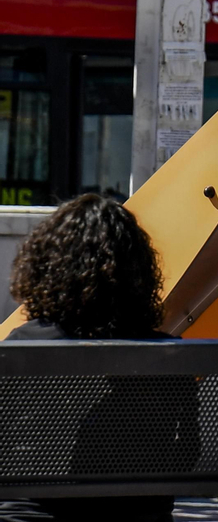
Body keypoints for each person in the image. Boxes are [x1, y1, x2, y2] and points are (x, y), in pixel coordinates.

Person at [7, 194, 197, 521]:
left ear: (49, 267)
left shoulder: (22, 346)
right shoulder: (168, 354)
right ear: (138, 273)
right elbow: (185, 456)